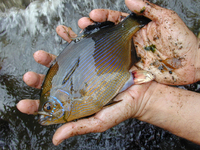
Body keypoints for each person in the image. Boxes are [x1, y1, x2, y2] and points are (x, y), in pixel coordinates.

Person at [17, 0, 200, 146]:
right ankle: (131, 25)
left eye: (48, 107)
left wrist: (195, 58)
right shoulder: (70, 104)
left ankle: (132, 23)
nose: (46, 113)